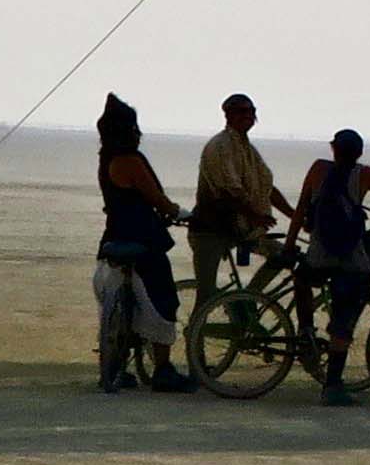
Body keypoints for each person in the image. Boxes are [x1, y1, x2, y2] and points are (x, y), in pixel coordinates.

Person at [297, 129, 370, 403]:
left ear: (332, 148)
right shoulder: (365, 174)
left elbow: (301, 208)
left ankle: (305, 330)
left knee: (302, 279)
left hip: (318, 253)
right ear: (360, 153)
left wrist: (290, 243)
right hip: (351, 259)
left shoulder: (318, 169)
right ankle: (332, 386)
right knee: (346, 314)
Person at [92, 95, 183, 390]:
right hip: (142, 238)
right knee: (163, 299)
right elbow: (155, 198)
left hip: (114, 234)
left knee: (119, 299)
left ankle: (115, 363)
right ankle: (163, 369)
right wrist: (175, 211)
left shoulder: (105, 161)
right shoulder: (130, 161)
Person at [191, 93, 288, 301]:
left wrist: (295, 214)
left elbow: (266, 187)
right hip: (211, 230)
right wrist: (255, 215)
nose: (249, 116)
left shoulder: (247, 149)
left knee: (283, 255)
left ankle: (247, 302)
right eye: (242, 111)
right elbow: (228, 192)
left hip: (242, 229)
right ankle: (195, 331)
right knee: (206, 296)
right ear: (228, 115)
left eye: (252, 111)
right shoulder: (220, 146)